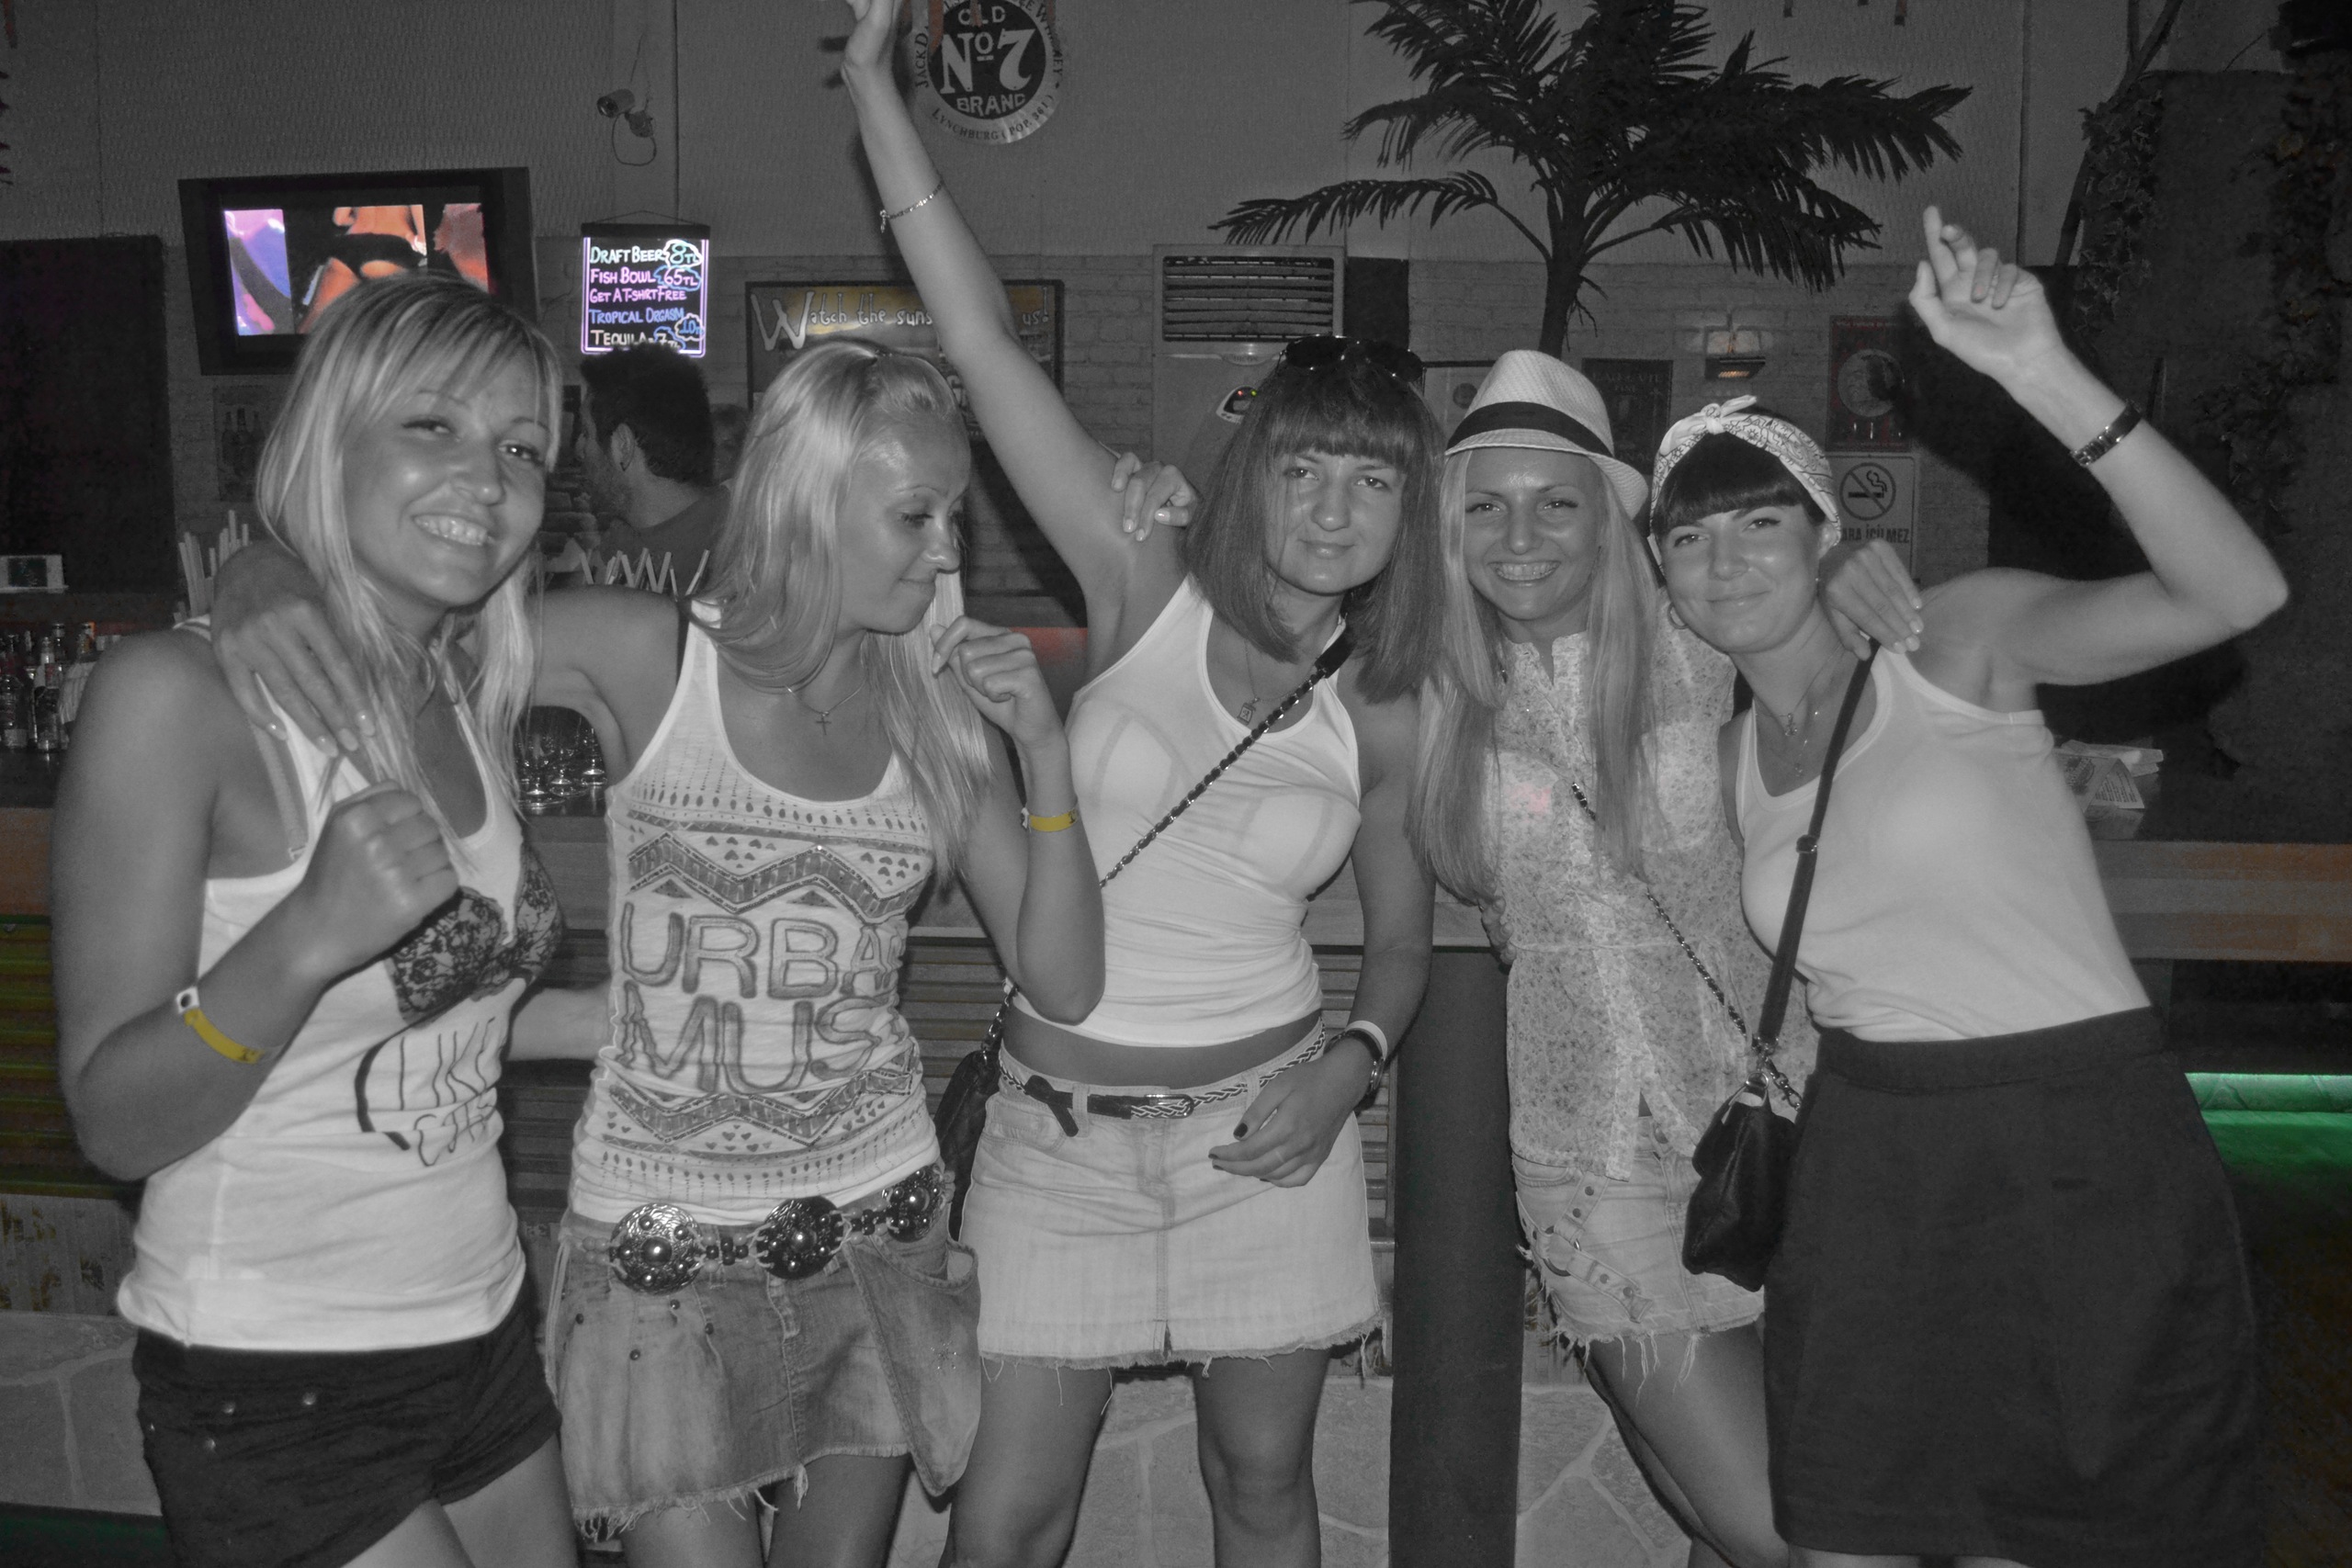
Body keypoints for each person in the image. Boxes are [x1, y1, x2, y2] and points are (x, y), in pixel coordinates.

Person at [206, 336, 1118, 1567]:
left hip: (877, 1233)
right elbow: (396, 638)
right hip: (661, 1263)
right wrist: (261, 571)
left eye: (953, 515)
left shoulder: (936, 710)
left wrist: (1044, 756)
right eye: (916, 514)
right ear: (808, 498)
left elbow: (1062, 980)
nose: (948, 549)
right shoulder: (652, 655)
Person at [841, 4, 1440, 1564]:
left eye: (1372, 478)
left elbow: (1398, 935)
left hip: (1269, 1135)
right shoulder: (1140, 572)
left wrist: (1353, 1064)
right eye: (1304, 467)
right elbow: (980, 342)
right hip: (1057, 1139)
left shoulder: (1390, 701)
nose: (1332, 509)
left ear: (1407, 510)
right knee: (1004, 1519)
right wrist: (874, 88)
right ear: (1252, 472)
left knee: (1265, 1489)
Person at [1649, 209, 2278, 1568]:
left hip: (2074, 1135)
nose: (1727, 559)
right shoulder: (1726, 759)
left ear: (1826, 535)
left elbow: (2231, 591)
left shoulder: (1957, 642)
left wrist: (2042, 371)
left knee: (2058, 1536)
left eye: (1762, 522)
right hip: (1871, 1155)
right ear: (1667, 582)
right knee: (1850, 1532)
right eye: (1690, 540)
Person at [53, 273, 585, 1568]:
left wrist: (618, 1020)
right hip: (276, 1370)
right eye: (432, 425)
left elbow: (420, 1025)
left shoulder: (461, 682)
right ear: (327, 436)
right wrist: (303, 935)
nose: (488, 478)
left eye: (523, 449)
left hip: (479, 1327)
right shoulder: (172, 695)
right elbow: (113, 1118)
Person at [1417, 355, 1909, 1568]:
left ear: (1610, 519)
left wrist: (1845, 565)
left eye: (1556, 502)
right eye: (1485, 504)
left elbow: (1813, 617)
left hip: (1784, 1135)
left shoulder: (1701, 644)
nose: (1519, 536)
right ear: (1450, 526)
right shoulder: (1431, 695)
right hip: (1593, 1169)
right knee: (1787, 1532)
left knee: (1759, 1519)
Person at [577, 344, 729, 598]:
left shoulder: (737, 550)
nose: (579, 449)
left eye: (585, 433)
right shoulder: (623, 539)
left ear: (622, 446)